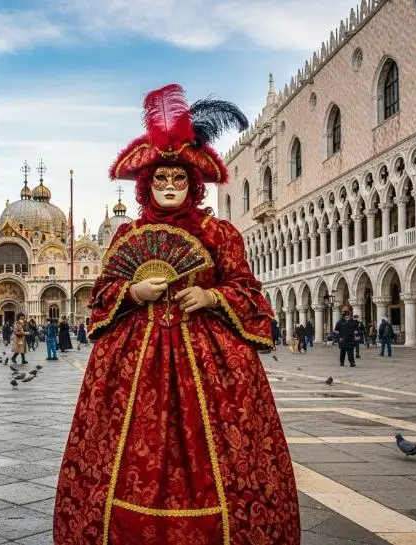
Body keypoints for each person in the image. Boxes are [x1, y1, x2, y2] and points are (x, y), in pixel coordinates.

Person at [54, 84, 299, 544]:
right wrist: (133, 290)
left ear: (193, 183)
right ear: (148, 185)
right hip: (133, 365)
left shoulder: (218, 233)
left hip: (209, 364)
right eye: (161, 181)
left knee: (223, 459)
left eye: (178, 180)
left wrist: (210, 298)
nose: (169, 188)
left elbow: (249, 294)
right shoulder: (128, 235)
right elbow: (101, 296)